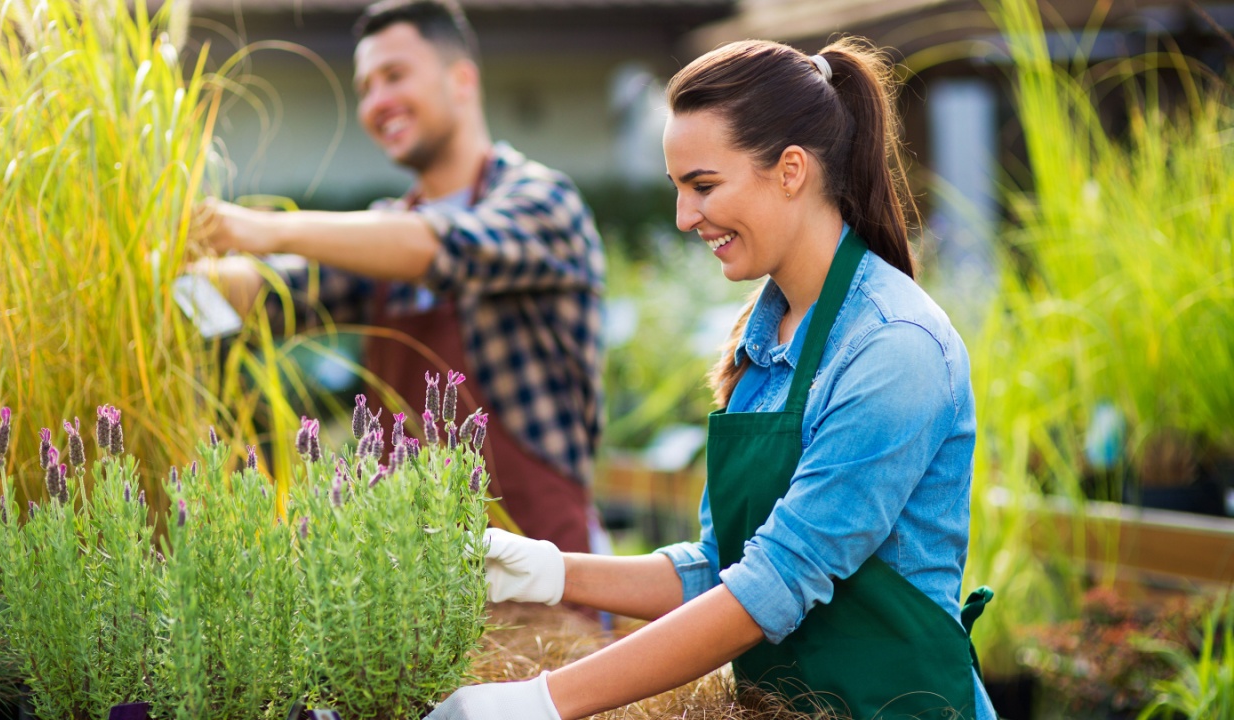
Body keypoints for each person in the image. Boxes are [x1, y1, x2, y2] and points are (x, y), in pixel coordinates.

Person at [425, 37, 998, 720]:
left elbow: (771, 587)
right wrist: (552, 570)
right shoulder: (762, 337)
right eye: (677, 189)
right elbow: (718, 568)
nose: (684, 217)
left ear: (790, 171)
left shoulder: (893, 349)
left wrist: (542, 702)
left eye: (702, 186)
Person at [193, 0, 605, 554]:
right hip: (411, 576)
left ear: (461, 79)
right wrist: (175, 268)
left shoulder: (541, 200)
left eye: (394, 76)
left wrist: (267, 229)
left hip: (547, 567)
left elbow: (445, 246)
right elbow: (275, 290)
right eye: (364, 87)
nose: (376, 101)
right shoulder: (379, 235)